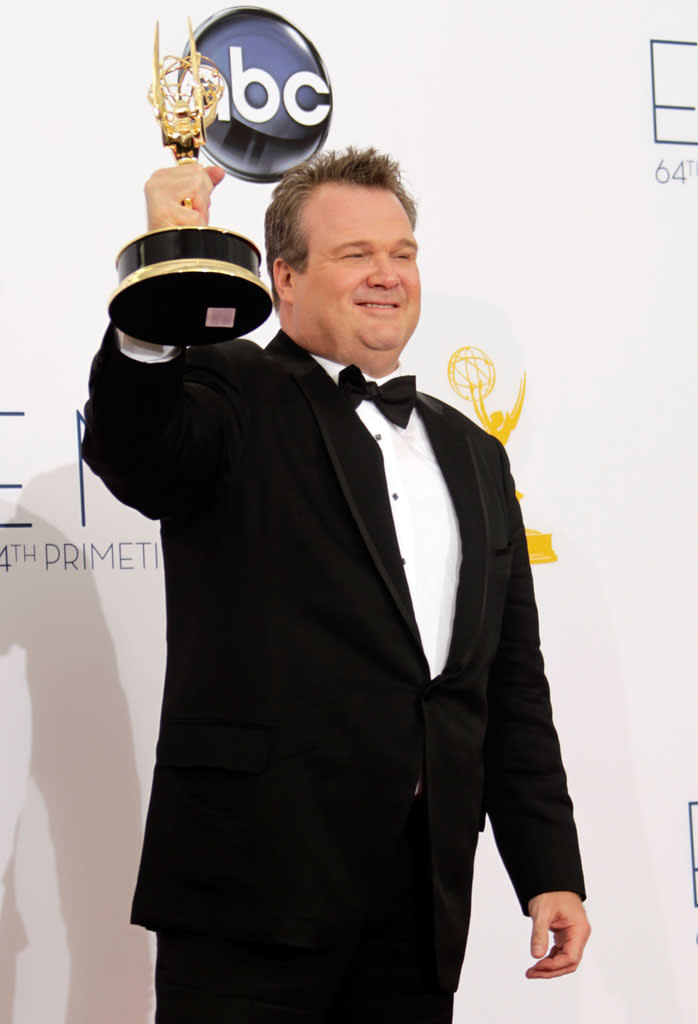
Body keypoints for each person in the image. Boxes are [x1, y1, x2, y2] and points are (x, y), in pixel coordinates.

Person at [82, 147, 590, 1023]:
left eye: (402, 253)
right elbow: (136, 444)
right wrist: (166, 265)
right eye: (355, 255)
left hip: (419, 905)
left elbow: (508, 683)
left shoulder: (474, 452)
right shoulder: (226, 389)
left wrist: (549, 870)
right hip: (251, 896)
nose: (386, 276)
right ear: (284, 277)